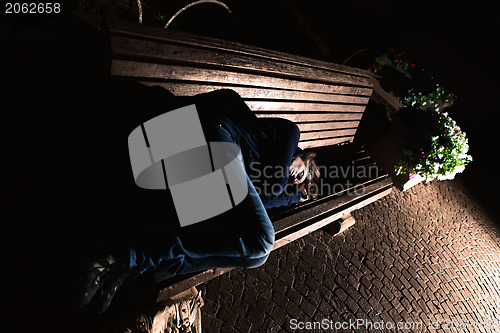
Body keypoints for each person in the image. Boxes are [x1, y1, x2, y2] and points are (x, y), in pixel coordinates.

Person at [78, 88, 320, 313]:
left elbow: (263, 201)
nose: (296, 177)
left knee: (256, 252)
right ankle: (126, 258)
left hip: (219, 166)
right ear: (305, 157)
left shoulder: (273, 175)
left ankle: (129, 266)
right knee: (262, 239)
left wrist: (295, 194)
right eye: (302, 172)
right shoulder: (290, 134)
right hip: (217, 133)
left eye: (298, 182)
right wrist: (290, 191)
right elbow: (269, 192)